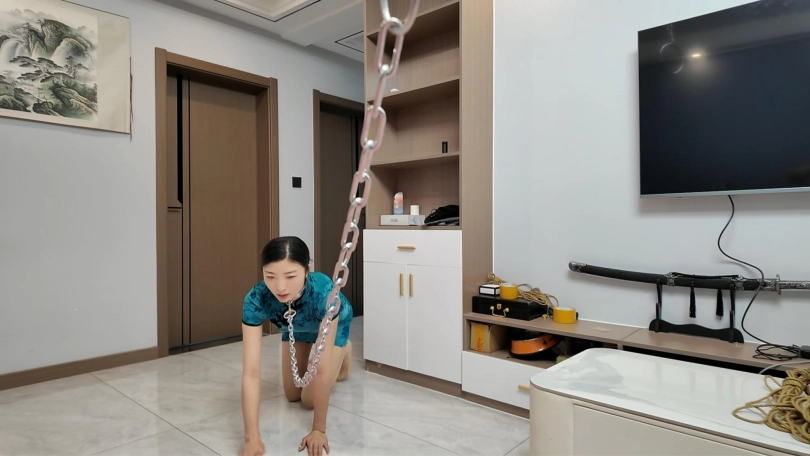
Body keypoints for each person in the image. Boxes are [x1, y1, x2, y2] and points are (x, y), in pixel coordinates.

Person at [240, 236, 353, 456]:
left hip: (332, 324)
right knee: (292, 395)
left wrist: (319, 429)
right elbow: (251, 373)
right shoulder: (255, 299)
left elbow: (321, 370)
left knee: (309, 399)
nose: (280, 287)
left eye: (290, 276)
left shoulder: (324, 295)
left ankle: (343, 349)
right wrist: (251, 438)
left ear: (307, 270)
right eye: (270, 276)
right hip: (294, 327)